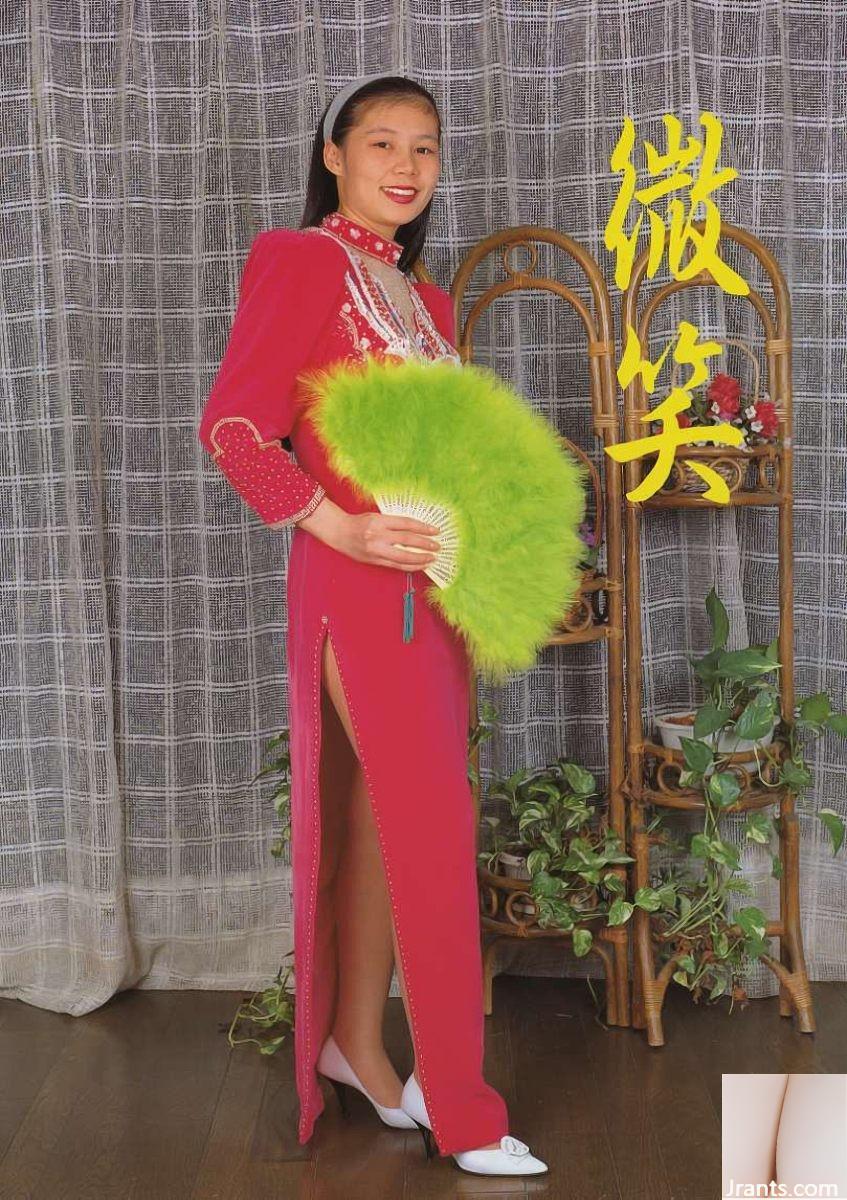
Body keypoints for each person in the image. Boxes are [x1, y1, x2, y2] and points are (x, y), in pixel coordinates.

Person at [197, 72, 548, 1177]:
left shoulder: (425, 302)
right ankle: (464, 1112)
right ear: (334, 155)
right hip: (356, 589)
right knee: (431, 830)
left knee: (375, 823)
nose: (405, 165)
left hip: (431, 595)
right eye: (382, 142)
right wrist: (339, 527)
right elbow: (235, 426)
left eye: (425, 147)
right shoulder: (300, 260)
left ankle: (356, 1044)